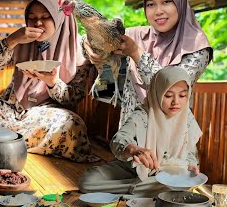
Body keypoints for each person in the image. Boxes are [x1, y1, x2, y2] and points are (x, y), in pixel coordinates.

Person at [0, 0, 99, 162]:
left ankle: (0, 136)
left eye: (45, 17)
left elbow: (73, 99)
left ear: (59, 17)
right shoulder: (22, 39)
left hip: (43, 114)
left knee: (72, 124)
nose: (37, 23)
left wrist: (52, 82)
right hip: (9, 109)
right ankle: (15, 139)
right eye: (32, 17)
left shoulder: (78, 50)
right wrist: (12, 40)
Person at [84, 0, 212, 128]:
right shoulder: (137, 35)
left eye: (166, 2)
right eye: (151, 4)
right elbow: (97, 38)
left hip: (171, 139)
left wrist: (136, 53)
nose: (158, 11)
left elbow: (171, 88)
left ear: (180, 3)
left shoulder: (198, 45)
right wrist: (88, 44)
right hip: (130, 138)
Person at [78, 66, 202, 197]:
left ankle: (136, 190)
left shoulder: (186, 117)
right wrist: (134, 150)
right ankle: (143, 189)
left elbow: (190, 151)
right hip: (135, 169)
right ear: (157, 93)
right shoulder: (143, 115)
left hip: (170, 175)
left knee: (175, 184)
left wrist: (191, 166)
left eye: (182, 95)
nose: (176, 102)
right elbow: (119, 139)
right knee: (87, 181)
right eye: (168, 95)